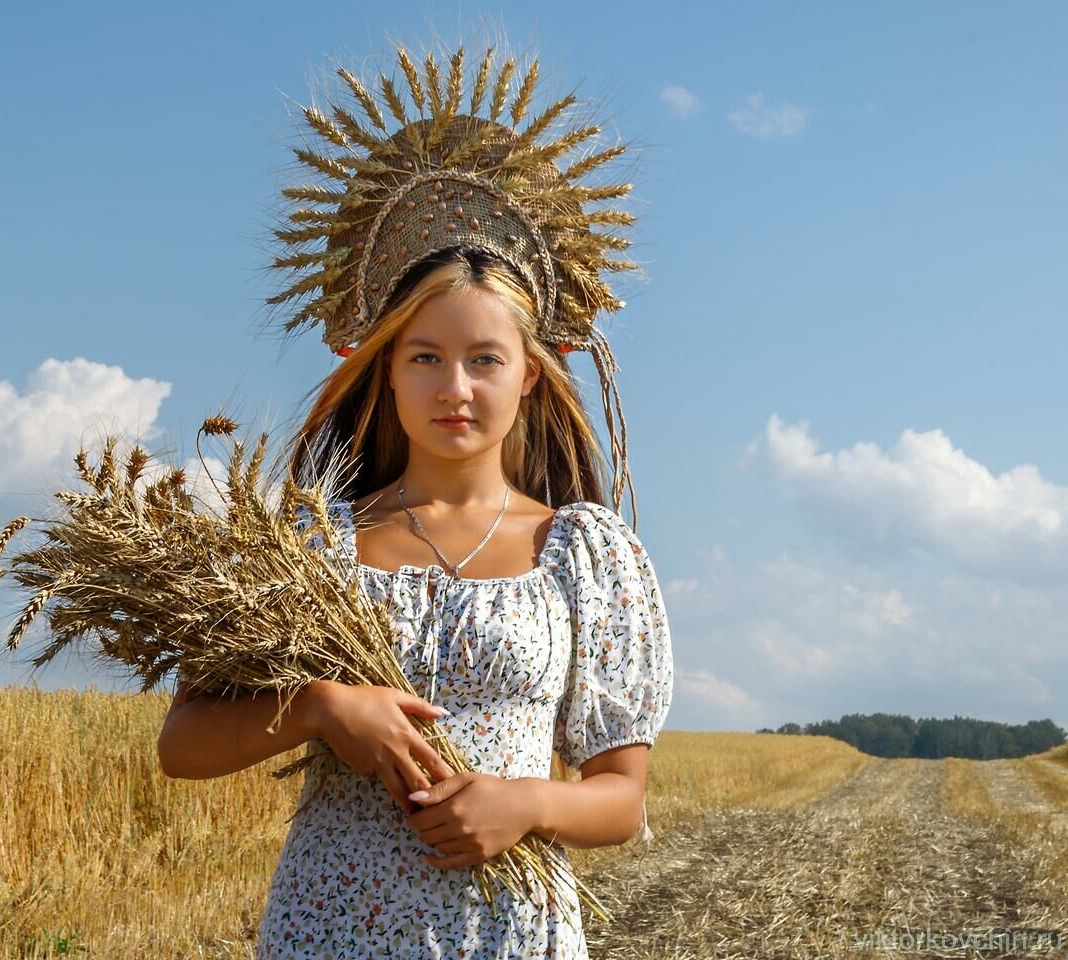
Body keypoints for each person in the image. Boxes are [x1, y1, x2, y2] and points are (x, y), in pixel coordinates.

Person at [156, 43, 674, 959]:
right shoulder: (312, 547)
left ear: (530, 380)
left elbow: (622, 799)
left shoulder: (583, 554)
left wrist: (525, 803)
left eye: (485, 361)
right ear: (386, 372)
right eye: (425, 357)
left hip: (508, 935)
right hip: (329, 931)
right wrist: (321, 707)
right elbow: (184, 743)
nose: (455, 389)